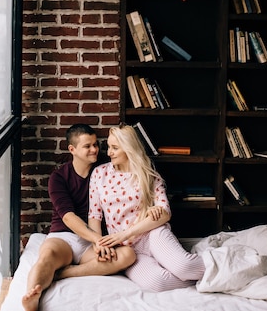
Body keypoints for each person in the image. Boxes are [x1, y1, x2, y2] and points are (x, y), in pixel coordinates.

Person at [21, 124, 136, 311]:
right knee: (46, 257)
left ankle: (65, 273)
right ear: (72, 149)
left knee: (127, 255)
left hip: (93, 241)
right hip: (64, 237)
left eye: (95, 145)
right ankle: (32, 295)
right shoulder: (58, 177)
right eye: (87, 146)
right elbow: (67, 217)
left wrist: (98, 241)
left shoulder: (104, 171)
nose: (95, 150)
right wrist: (97, 240)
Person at [88, 124, 206, 292]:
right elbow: (94, 215)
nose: (108, 153)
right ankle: (208, 280)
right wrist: (98, 243)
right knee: (157, 283)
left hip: (152, 235)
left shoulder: (147, 174)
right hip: (127, 249)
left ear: (129, 148)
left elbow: (164, 213)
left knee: (185, 267)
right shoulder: (100, 174)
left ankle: (227, 266)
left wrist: (127, 232)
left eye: (115, 148)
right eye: (108, 147)